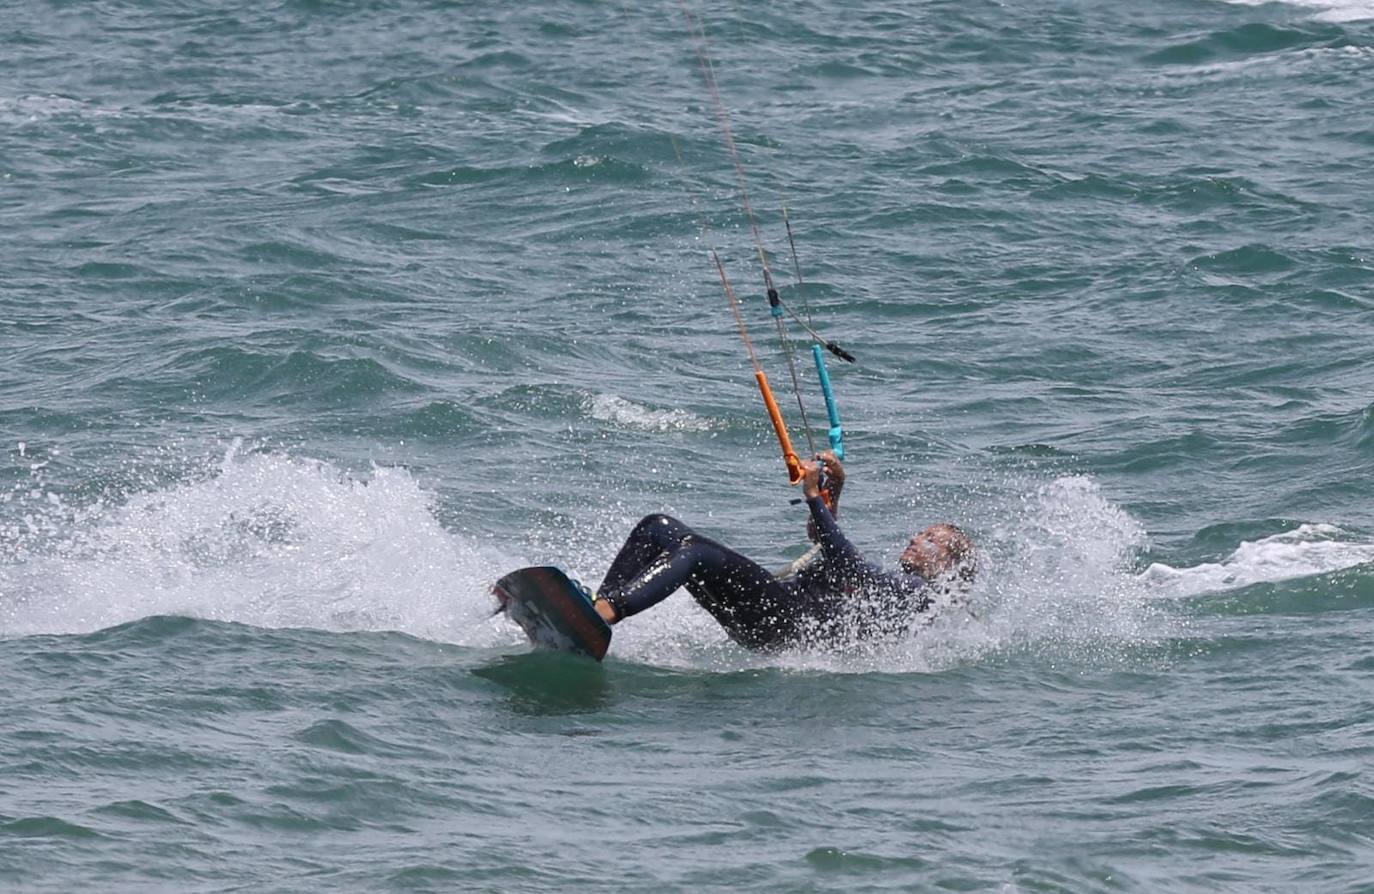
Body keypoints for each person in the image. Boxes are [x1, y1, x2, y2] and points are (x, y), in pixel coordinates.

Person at [591, 454, 976, 651]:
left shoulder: (918, 593)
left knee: (693, 551)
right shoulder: (891, 584)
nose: (914, 537)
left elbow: (847, 565)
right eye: (922, 531)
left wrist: (813, 495)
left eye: (931, 539)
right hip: (775, 611)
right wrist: (833, 491)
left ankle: (607, 613)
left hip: (784, 620)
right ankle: (593, 612)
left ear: (946, 564)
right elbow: (831, 553)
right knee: (658, 527)